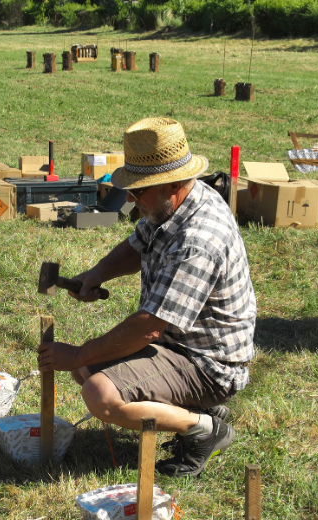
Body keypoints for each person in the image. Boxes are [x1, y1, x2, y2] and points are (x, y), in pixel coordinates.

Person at [38, 117, 256, 477]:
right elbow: (138, 245)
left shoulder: (198, 241)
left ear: (172, 184)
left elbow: (148, 327)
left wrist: (77, 353)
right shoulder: (174, 204)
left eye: (139, 192)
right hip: (177, 344)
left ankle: (205, 429)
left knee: (99, 393)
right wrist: (97, 273)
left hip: (209, 364)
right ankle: (194, 410)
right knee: (85, 368)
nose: (131, 200)